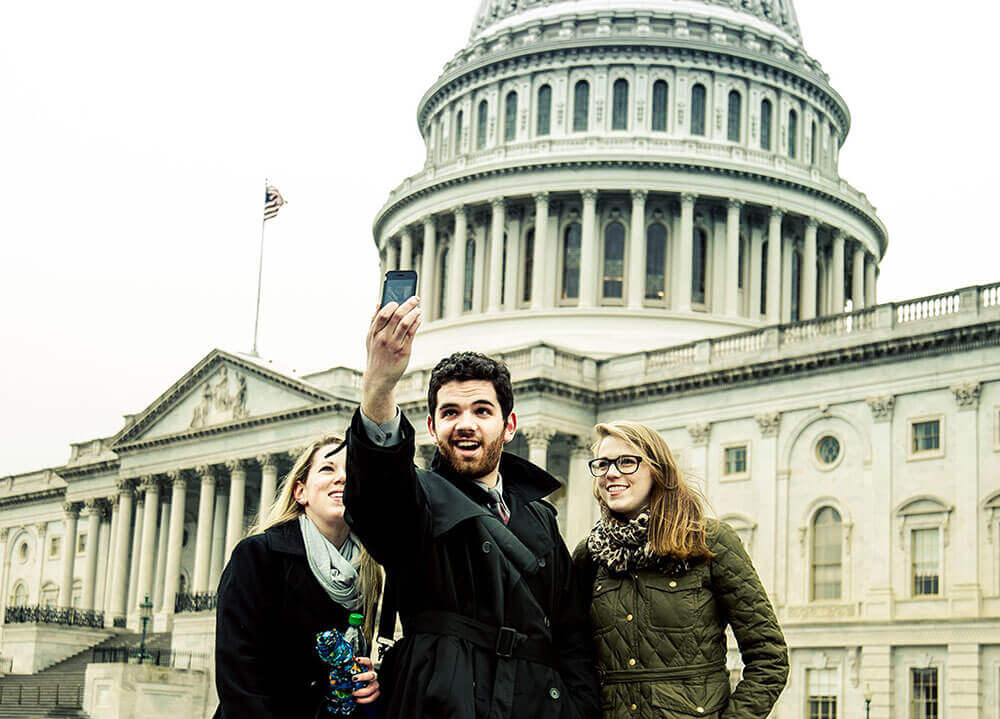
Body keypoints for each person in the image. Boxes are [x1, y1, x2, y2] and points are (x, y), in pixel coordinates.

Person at [343, 295, 600, 719]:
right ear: (431, 427)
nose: (465, 423)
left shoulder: (539, 517)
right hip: (444, 702)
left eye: (482, 410)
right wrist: (379, 387)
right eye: (450, 412)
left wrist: (577, 709)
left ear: (509, 426)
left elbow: (572, 636)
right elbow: (378, 497)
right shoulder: (418, 500)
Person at [573, 421, 788, 718]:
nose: (611, 473)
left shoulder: (709, 541)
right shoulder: (589, 555)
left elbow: (769, 657)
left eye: (626, 462)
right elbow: (572, 657)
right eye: (603, 464)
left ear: (657, 470)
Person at [214, 436, 383, 718]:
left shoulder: (366, 571)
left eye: (351, 471)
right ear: (300, 492)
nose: (342, 478)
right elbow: (237, 676)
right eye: (328, 469)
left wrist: (370, 683)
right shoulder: (258, 555)